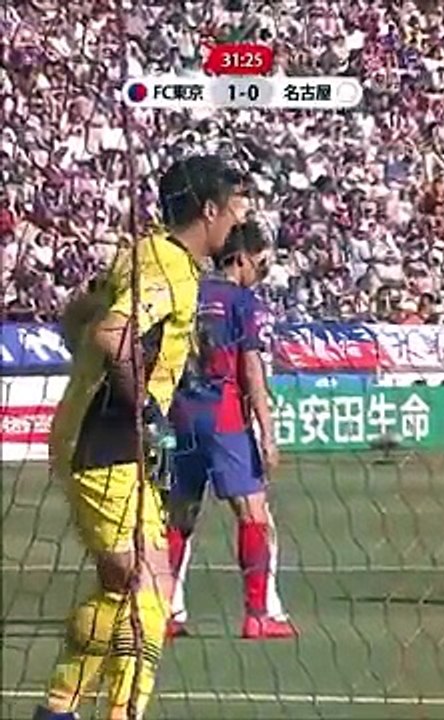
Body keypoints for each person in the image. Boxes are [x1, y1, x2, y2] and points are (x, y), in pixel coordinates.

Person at [35, 155, 248, 720]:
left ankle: (58, 708)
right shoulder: (170, 267)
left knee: (118, 587)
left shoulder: (141, 250)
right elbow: (110, 335)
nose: (237, 222)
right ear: (209, 210)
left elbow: (79, 316)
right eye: (234, 208)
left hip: (89, 433)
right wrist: (147, 410)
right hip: (107, 442)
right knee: (148, 590)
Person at [165, 221, 297, 640]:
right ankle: (257, 613)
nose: (261, 271)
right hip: (225, 417)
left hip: (182, 415)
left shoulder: (188, 289)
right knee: (253, 513)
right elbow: (251, 367)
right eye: (260, 262)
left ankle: (163, 611)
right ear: (240, 258)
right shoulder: (242, 300)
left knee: (180, 515)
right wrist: (267, 430)